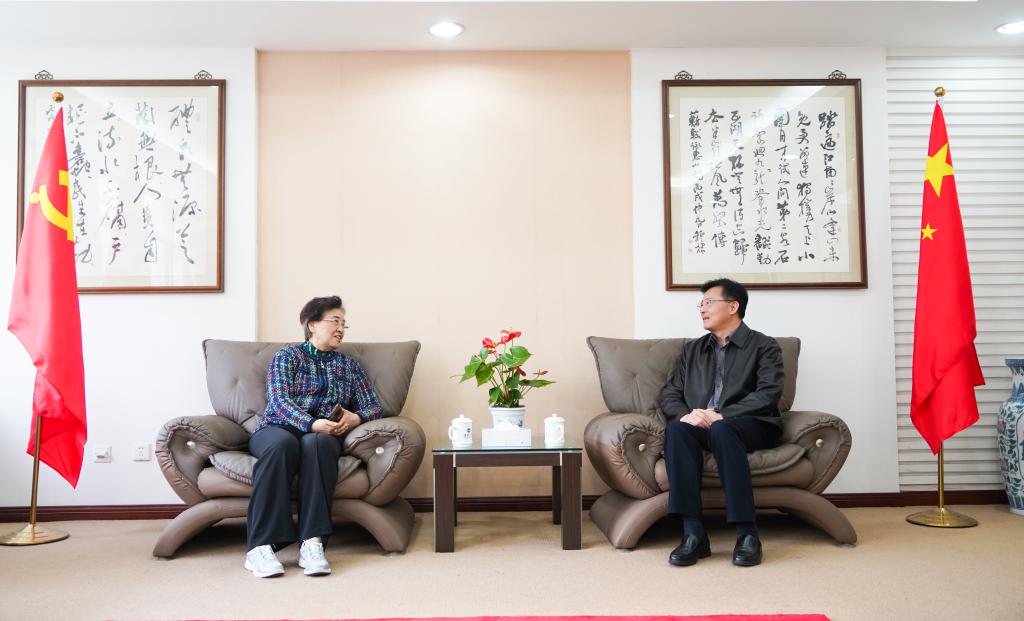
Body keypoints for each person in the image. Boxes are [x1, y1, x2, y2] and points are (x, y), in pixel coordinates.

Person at [244, 295, 383, 578]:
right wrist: (311, 423)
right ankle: (260, 547)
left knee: (318, 444)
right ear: (312, 325)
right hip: (277, 428)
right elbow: (279, 401)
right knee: (282, 445)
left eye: (344, 324)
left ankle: (312, 542)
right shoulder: (286, 357)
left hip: (324, 433)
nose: (341, 329)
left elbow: (374, 406)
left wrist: (356, 417)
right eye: (335, 321)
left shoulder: (349, 366)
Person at [658, 278, 784, 567]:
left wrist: (723, 414)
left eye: (708, 302)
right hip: (705, 424)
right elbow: (671, 393)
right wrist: (686, 415)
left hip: (751, 424)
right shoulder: (693, 350)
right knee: (677, 430)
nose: (702, 309)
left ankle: (747, 534)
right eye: (700, 304)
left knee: (723, 428)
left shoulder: (764, 346)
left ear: (733, 306)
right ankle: (693, 534)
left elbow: (768, 393)